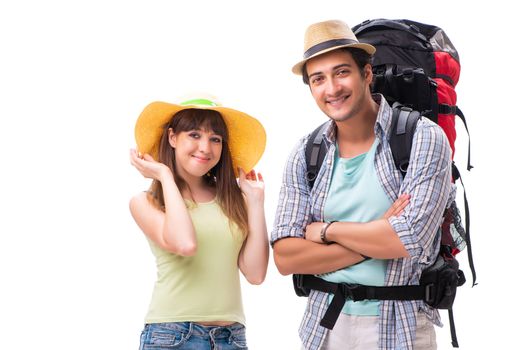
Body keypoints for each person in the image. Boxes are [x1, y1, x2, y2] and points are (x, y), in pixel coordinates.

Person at [271, 20, 454, 350]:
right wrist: (380, 231)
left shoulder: (423, 137)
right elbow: (286, 257)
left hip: (401, 326)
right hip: (324, 326)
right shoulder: (306, 153)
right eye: (318, 79)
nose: (331, 89)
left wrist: (327, 231)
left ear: (366, 74)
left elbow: (409, 238)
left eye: (342, 72)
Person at [130, 95, 269, 350]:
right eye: (194, 135)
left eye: (215, 139)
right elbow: (185, 244)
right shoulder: (145, 202)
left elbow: (256, 273)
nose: (206, 147)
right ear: (173, 138)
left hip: (231, 338)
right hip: (172, 336)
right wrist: (164, 175)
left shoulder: (235, 199)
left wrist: (256, 202)